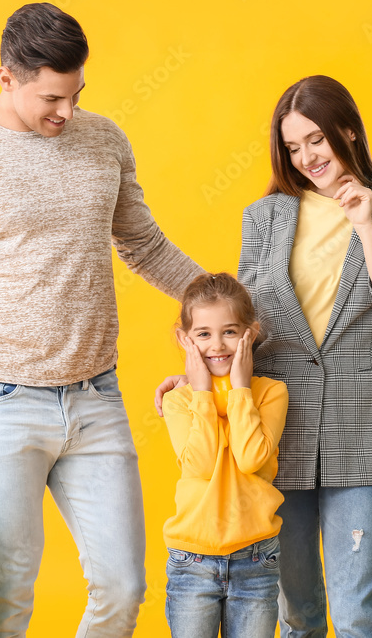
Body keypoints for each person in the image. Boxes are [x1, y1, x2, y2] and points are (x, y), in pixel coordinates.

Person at [0, 3, 203, 637]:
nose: (65, 113)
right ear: (6, 77)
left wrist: (222, 302)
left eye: (75, 95)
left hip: (96, 396)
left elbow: (143, 244)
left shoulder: (105, 140)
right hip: (1, 401)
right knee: (8, 591)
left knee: (124, 587)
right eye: (50, 98)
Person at [156, 75, 372, 637]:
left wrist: (366, 226)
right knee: (298, 613)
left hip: (363, 429)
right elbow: (244, 320)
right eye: (292, 146)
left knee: (356, 613)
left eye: (315, 140)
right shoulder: (266, 217)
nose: (305, 157)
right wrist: (200, 372)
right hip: (279, 431)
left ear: (347, 131)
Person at [161, 272, 288, 638]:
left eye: (230, 332)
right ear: (185, 340)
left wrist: (240, 389)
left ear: (251, 333)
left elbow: (251, 459)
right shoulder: (179, 400)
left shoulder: (269, 394)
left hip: (256, 559)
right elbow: (199, 466)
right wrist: (202, 394)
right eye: (203, 334)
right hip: (192, 562)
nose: (217, 345)